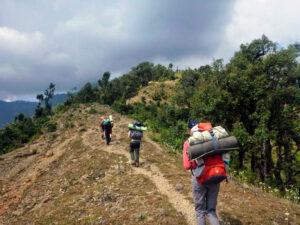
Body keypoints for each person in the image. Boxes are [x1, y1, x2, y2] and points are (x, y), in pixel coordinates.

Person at [183, 120, 229, 225]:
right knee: (211, 210)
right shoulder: (215, 140)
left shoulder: (188, 143)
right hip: (216, 175)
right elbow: (226, 157)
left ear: (189, 130)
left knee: (200, 211)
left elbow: (187, 166)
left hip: (199, 178)